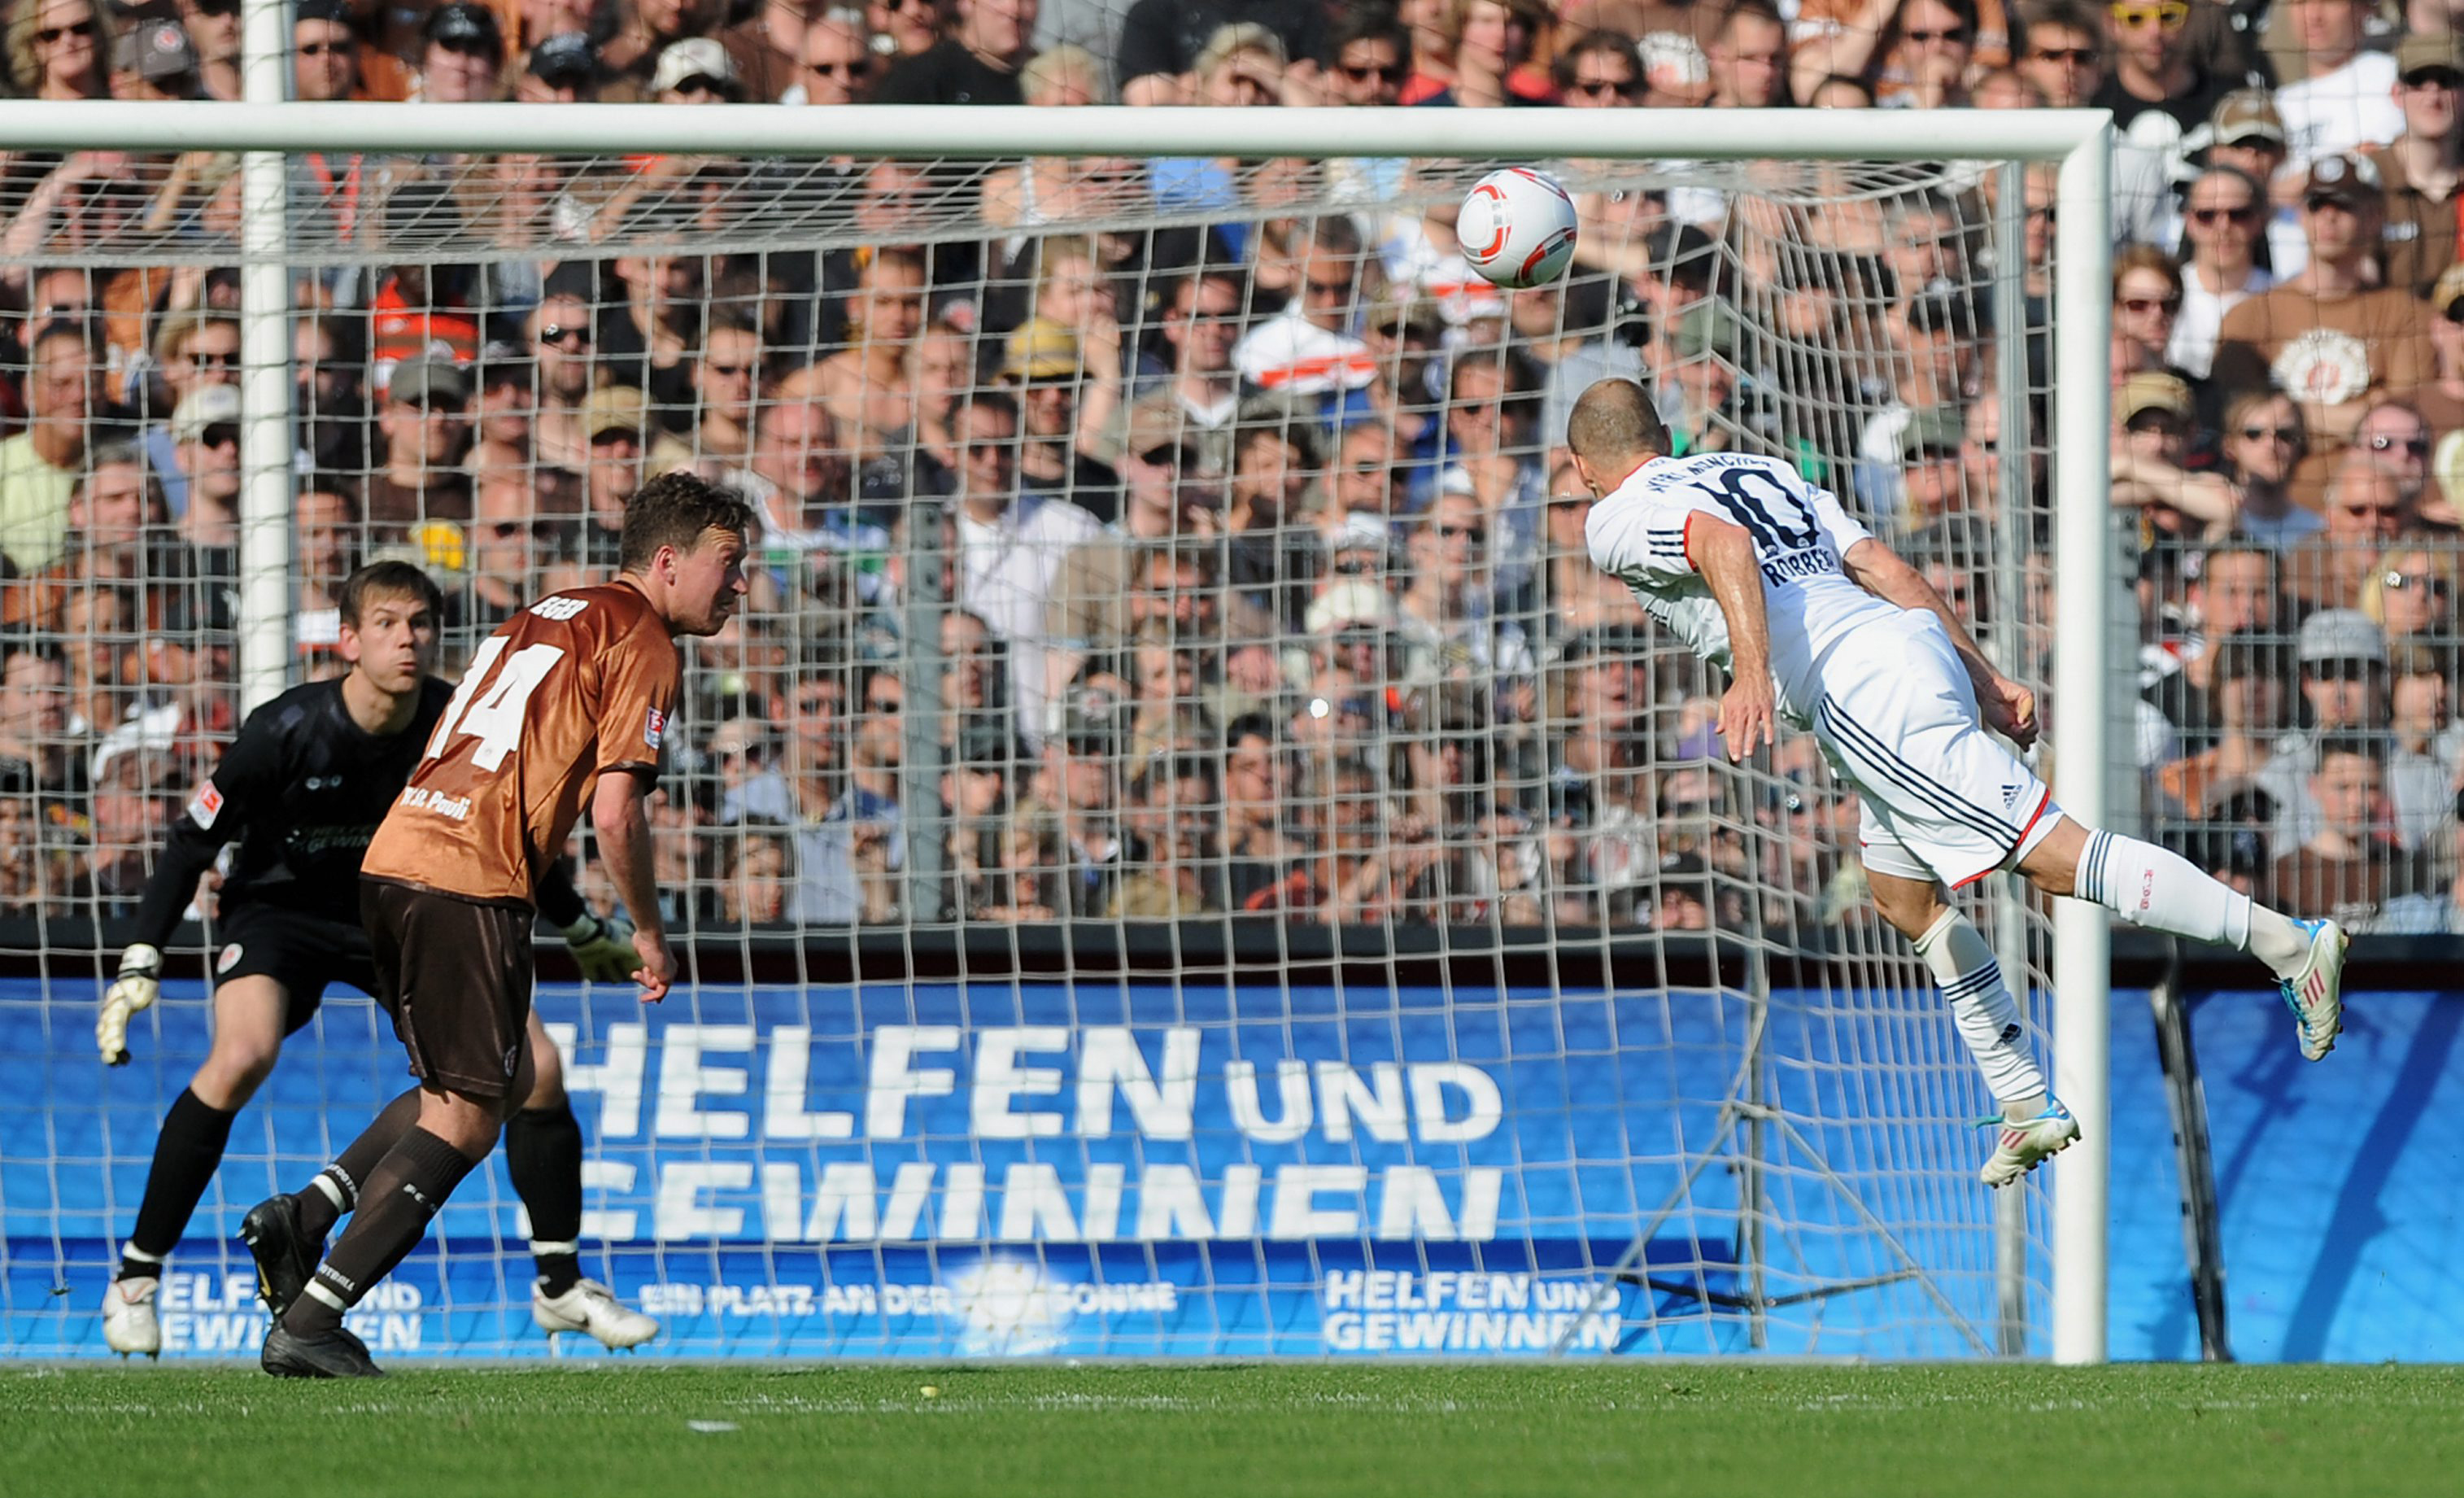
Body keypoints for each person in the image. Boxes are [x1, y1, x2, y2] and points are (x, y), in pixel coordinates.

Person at [1566, 377, 2350, 1189]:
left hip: (1859, 692)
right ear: (1662, 433)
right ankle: (2022, 1102)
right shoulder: (1756, 468)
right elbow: (1879, 563)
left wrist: (1750, 673)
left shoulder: (1611, 516)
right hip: (1900, 649)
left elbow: (1719, 545)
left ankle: (2288, 946)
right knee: (1900, 895)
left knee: (2054, 859)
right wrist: (1980, 675)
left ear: (1582, 467)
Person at [246, 477, 750, 1378]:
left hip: (398, 852)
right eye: (730, 564)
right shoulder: (642, 639)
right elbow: (617, 813)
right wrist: (647, 929)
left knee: (475, 1082)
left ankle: (307, 1215)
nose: (740, 585)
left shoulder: (545, 611)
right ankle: (315, 1319)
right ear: (668, 560)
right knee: (476, 1112)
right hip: (469, 875)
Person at [91, 561, 655, 1361]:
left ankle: (559, 1284)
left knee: (538, 1067)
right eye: (387, 622)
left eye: (421, 622)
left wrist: (578, 923)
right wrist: (141, 952)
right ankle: (137, 1276)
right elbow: (194, 837)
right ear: (347, 640)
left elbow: (499, 824)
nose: (408, 638)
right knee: (241, 1054)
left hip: (401, 904)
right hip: (280, 912)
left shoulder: (451, 716)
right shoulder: (282, 728)